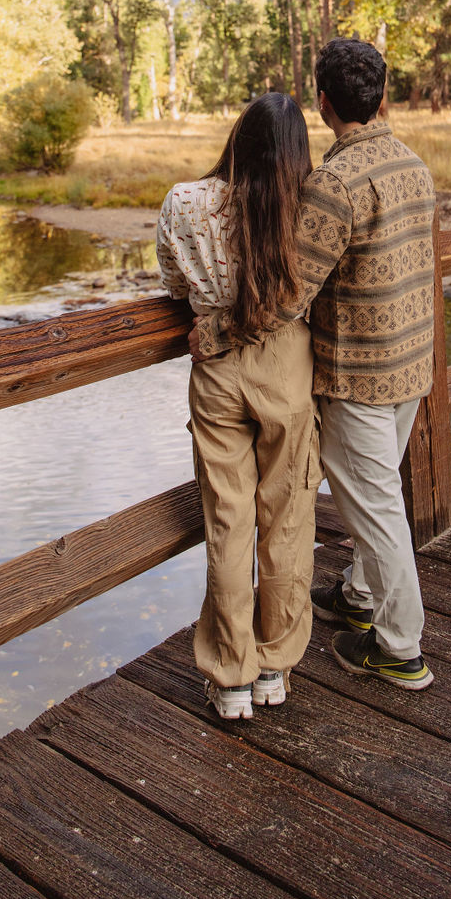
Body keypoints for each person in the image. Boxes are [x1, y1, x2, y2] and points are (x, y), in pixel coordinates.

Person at [195, 38, 437, 691]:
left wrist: (216, 329)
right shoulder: (414, 163)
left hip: (361, 375)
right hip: (413, 363)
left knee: (378, 509)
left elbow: (288, 292)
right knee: (379, 487)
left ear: (325, 103)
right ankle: (361, 594)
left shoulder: (334, 182)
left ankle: (399, 646)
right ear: (384, 97)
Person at [156, 92, 320, 721]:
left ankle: (230, 677)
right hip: (287, 365)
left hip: (216, 367)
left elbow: (173, 284)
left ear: (237, 139)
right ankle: (275, 666)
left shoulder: (184, 202)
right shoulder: (306, 206)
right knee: (287, 516)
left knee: (229, 521)